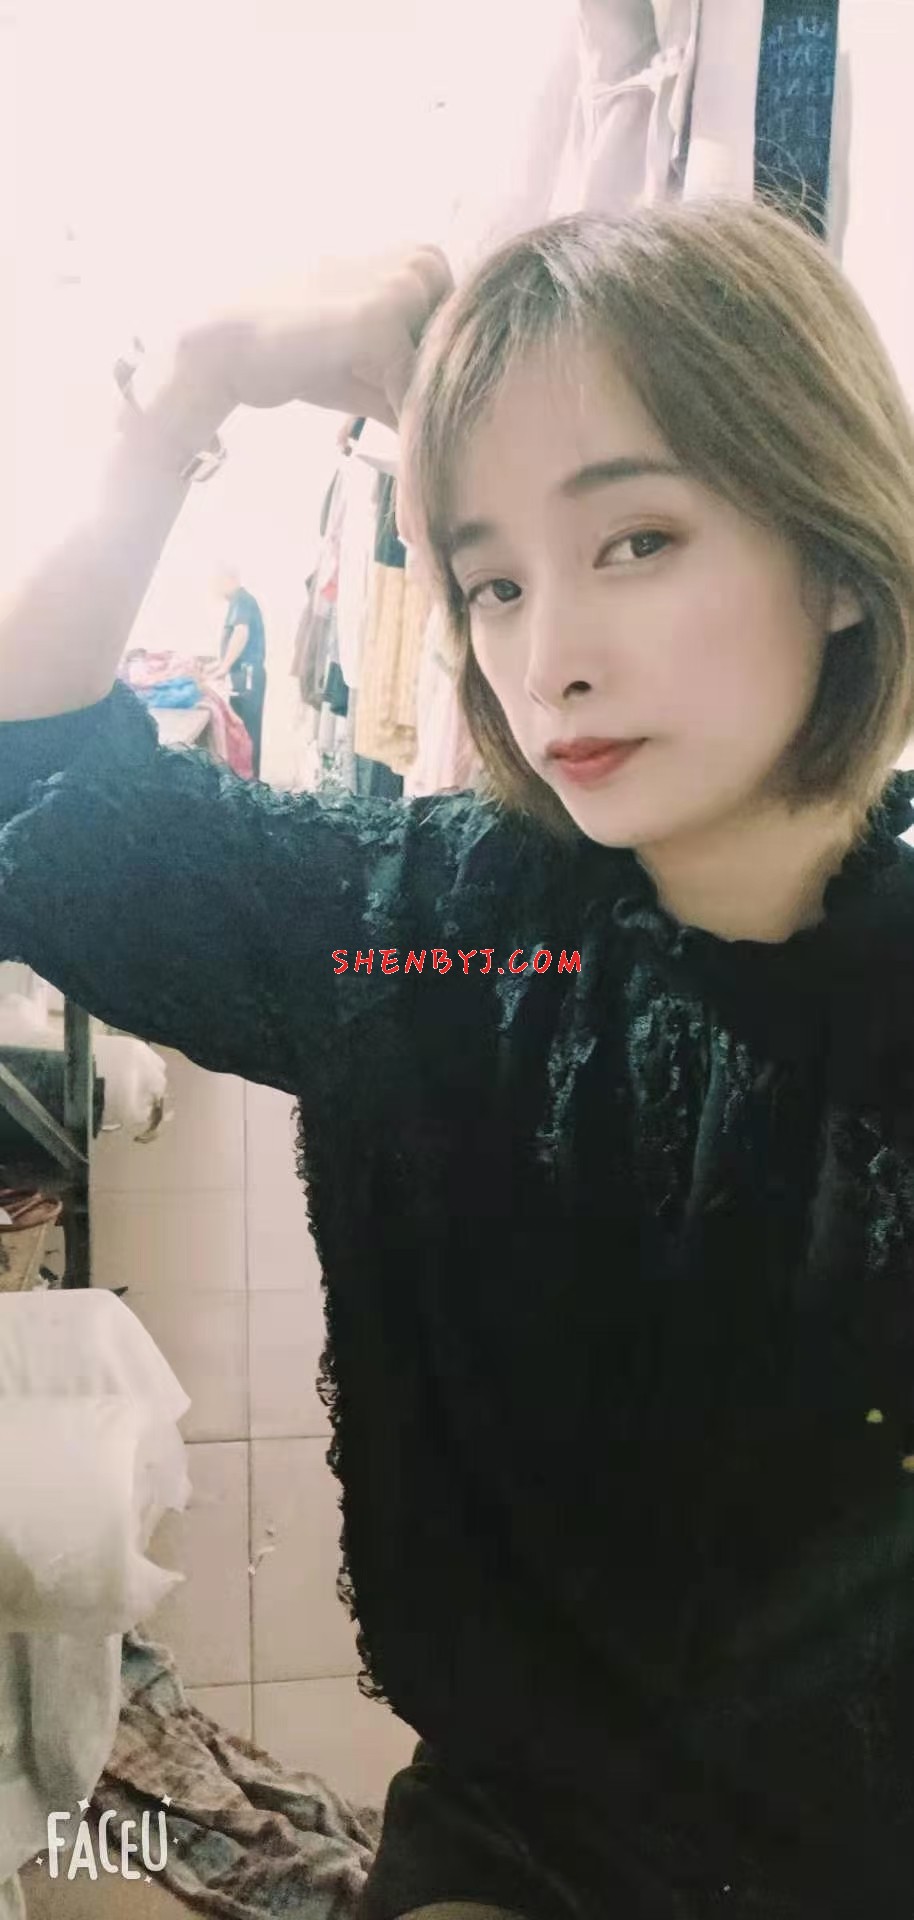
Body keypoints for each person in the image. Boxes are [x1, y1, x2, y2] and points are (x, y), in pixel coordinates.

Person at [2, 199, 914, 1920]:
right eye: (490, 580)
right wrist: (192, 383)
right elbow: (25, 784)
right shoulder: (431, 940)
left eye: (634, 540)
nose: (544, 656)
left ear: (836, 554)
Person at [211, 566, 267, 778]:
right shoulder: (241, 601)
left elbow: (241, 633)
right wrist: (218, 666)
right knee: (245, 731)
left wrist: (224, 667)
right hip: (244, 675)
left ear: (229, 578)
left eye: (217, 582)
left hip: (247, 675)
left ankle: (249, 784)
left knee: (246, 732)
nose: (215, 589)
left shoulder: (241, 599)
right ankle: (248, 783)